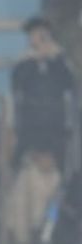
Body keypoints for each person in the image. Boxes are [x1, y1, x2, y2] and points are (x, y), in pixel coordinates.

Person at [12, 17, 76, 171]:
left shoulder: (60, 58)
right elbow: (18, 83)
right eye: (34, 35)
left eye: (42, 34)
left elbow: (69, 83)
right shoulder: (23, 60)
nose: (38, 39)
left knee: (58, 172)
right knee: (30, 170)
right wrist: (36, 59)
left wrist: (55, 58)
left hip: (56, 126)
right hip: (31, 126)